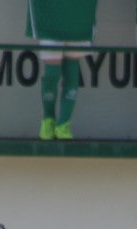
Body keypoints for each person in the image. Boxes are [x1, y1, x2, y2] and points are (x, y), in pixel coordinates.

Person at [28, 0, 99, 141]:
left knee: (72, 69)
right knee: (52, 72)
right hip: (50, 11)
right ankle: (48, 119)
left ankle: (64, 123)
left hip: (79, 12)